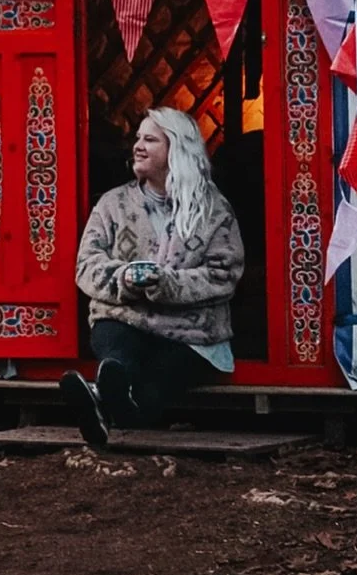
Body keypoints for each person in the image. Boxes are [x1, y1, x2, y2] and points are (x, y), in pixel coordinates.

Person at [59, 107, 245, 447]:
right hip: (127, 317)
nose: (138, 146)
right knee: (120, 348)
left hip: (189, 329)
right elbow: (86, 264)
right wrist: (124, 278)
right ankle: (112, 386)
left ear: (177, 149)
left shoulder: (213, 209)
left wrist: (168, 284)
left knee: (159, 376)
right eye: (138, 138)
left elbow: (225, 272)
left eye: (150, 139)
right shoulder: (112, 204)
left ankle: (101, 402)